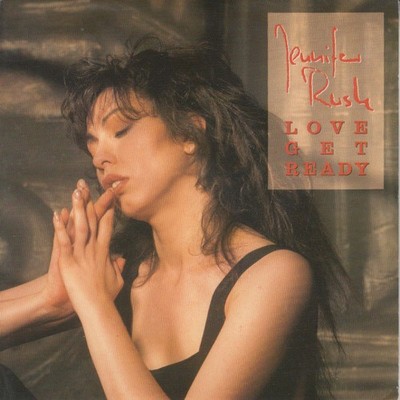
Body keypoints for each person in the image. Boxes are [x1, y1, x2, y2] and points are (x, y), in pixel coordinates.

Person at [0, 41, 348, 399]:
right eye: (92, 144)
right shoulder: (117, 270)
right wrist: (49, 302)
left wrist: (93, 302)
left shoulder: (275, 275)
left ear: (189, 134)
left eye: (121, 130)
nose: (99, 158)